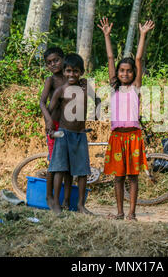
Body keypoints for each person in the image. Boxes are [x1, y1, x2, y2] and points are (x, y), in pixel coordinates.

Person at [98, 17, 154, 221]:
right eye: (122, 71)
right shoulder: (114, 88)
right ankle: (120, 212)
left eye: (129, 71)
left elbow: (138, 59)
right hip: (117, 137)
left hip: (133, 137)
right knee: (118, 177)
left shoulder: (135, 88)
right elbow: (111, 58)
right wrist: (106, 35)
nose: (125, 73)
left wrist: (143, 35)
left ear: (134, 74)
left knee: (133, 177)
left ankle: (132, 213)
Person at [47, 53, 100, 215]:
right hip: (63, 133)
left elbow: (97, 100)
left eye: (75, 71)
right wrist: (50, 125)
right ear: (63, 72)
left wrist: (96, 114)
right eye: (68, 71)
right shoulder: (61, 90)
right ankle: (56, 203)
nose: (71, 74)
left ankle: (80, 205)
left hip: (80, 134)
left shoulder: (85, 87)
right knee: (60, 169)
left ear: (82, 72)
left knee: (82, 171)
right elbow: (50, 109)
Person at [39, 47, 72, 210]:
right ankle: (49, 197)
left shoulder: (70, 77)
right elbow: (41, 103)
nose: (53, 64)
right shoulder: (50, 81)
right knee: (54, 163)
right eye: (49, 63)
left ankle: (66, 200)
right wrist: (48, 120)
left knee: (67, 165)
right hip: (55, 126)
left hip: (69, 126)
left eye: (56, 60)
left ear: (63, 58)